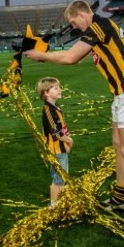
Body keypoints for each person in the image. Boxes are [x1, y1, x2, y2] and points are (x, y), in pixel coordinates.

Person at [24, 0, 124, 222]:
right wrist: (45, 51)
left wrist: (42, 56)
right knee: (119, 147)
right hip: (123, 95)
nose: (74, 27)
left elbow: (70, 57)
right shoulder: (100, 31)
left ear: (83, 14)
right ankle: (120, 199)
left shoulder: (98, 25)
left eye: (73, 22)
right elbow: (76, 58)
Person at [37, 77, 73, 208]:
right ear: (46, 93)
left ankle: (61, 199)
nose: (60, 89)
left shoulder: (55, 107)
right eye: (55, 88)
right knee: (57, 180)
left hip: (61, 147)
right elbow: (57, 133)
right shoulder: (48, 110)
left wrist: (66, 143)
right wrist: (70, 141)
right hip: (56, 150)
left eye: (59, 86)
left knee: (62, 176)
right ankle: (53, 205)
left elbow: (61, 127)